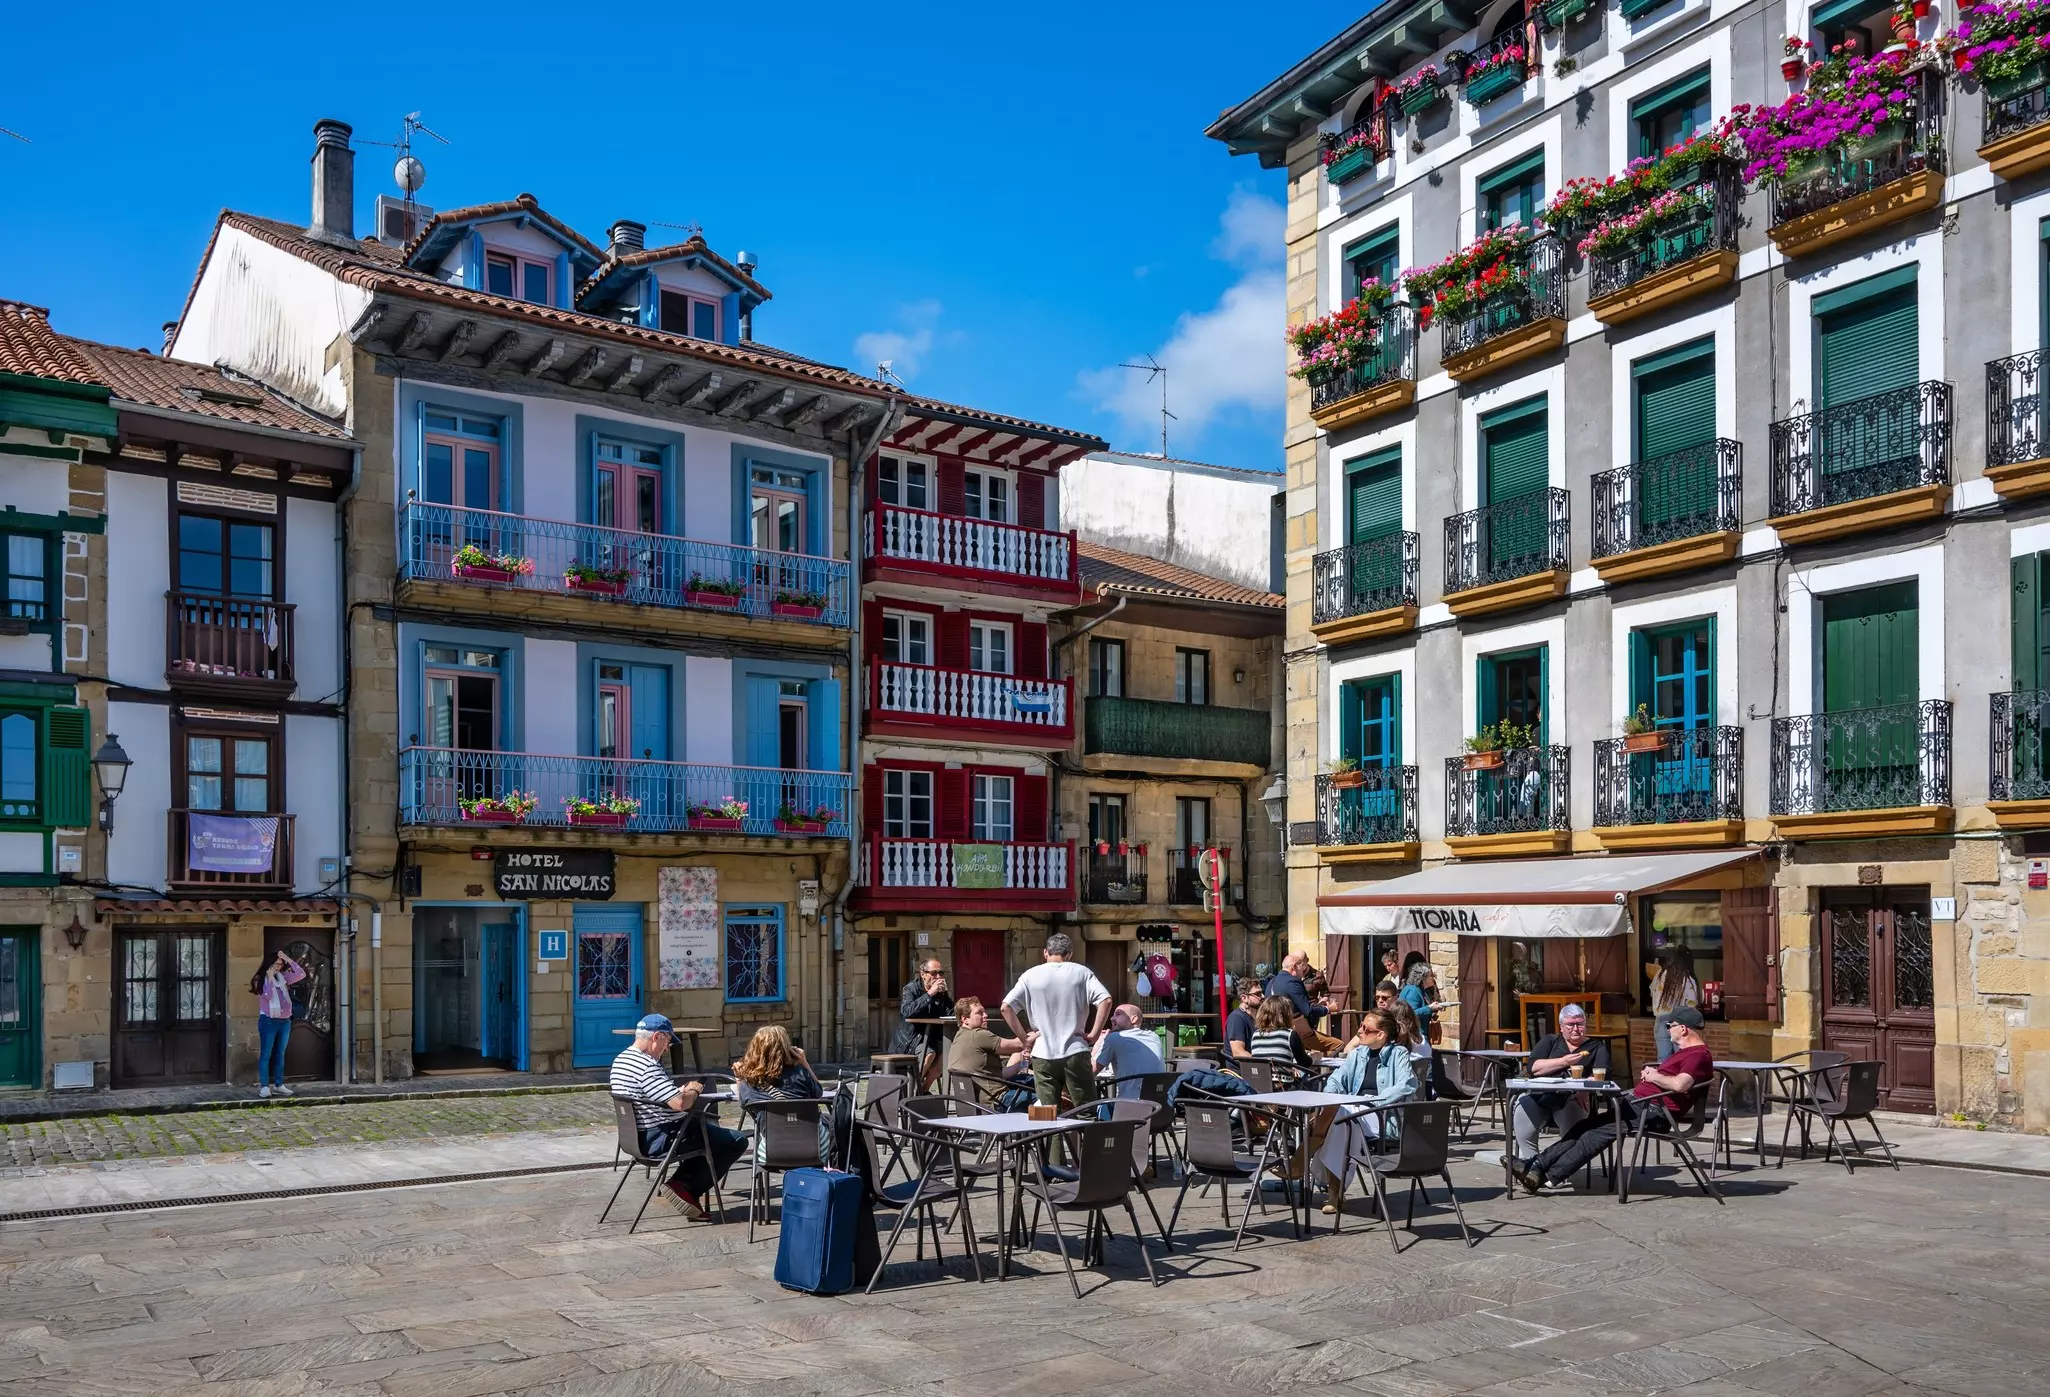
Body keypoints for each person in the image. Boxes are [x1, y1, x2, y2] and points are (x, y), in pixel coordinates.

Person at [1513, 1006, 1715, 1195]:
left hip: (1654, 1111)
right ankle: (1536, 1165)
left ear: (1683, 1029)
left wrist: (1654, 1076)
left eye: (1670, 1025)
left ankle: (1546, 1176)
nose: (1668, 1029)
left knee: (1593, 1135)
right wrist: (1652, 1077)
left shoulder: (1698, 1055)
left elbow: (1680, 1084)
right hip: (1641, 1105)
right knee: (1583, 1127)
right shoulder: (1686, 1053)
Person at [610, 1013, 747, 1219]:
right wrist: (693, 1090)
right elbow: (680, 1104)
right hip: (662, 1137)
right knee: (736, 1141)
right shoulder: (647, 1066)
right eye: (667, 1042)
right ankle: (684, 1186)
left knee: (707, 1134)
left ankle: (684, 1186)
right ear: (657, 1037)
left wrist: (677, 1093)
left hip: (635, 1138)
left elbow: (655, 1094)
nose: (667, 1049)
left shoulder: (622, 1060)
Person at [1313, 1009, 1420, 1212]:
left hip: (1383, 1117)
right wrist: (1330, 1095)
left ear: (1381, 1035)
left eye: (1365, 1028)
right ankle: (1335, 1194)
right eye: (1361, 1026)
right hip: (1354, 1115)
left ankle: (1306, 1156)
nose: (1359, 1031)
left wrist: (1372, 1101)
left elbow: (1406, 1084)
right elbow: (1336, 1079)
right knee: (1343, 1120)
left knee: (1341, 1115)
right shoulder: (1358, 1054)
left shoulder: (1398, 1054)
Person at [1001, 932, 1113, 1109]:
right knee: (1085, 1110)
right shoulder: (1082, 973)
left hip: (1042, 1053)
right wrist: (1094, 1033)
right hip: (1075, 1050)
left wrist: (1025, 1039)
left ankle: (1052, 1129)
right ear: (1069, 954)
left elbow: (1005, 1008)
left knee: (1048, 1113)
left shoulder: (1029, 976)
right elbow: (1106, 1000)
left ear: (1045, 952)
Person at [1510, 1003, 1612, 1168]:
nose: (1576, 1029)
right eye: (1570, 1024)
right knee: (1522, 1103)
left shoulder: (1596, 1047)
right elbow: (1533, 1067)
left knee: (1571, 1113)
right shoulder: (1550, 1041)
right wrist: (1564, 1061)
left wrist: (1584, 1089)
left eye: (1580, 1024)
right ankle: (1531, 1166)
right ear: (1561, 1027)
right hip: (1541, 1096)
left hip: (1573, 1098)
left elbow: (1602, 1073)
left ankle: (1558, 1169)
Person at [733, 1024, 830, 1164]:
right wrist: (804, 1063)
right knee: (831, 1121)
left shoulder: (749, 1082)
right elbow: (818, 1093)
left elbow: (743, 1104)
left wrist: (739, 1077)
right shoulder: (800, 1074)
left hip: (771, 1152)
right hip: (816, 1150)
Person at [890, 957, 954, 1088]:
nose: (938, 977)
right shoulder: (911, 989)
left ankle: (924, 1089)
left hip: (932, 1037)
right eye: (934, 973)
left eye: (941, 973)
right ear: (923, 974)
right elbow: (907, 1011)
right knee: (929, 1053)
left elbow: (951, 1013)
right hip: (911, 1040)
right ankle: (913, 1090)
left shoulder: (940, 992)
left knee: (949, 1052)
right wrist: (930, 994)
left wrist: (945, 997)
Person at [251, 949, 305, 1098]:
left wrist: (287, 958)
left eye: (280, 964)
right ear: (269, 964)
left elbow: (301, 974)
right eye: (275, 964)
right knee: (266, 1053)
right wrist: (269, 978)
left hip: (285, 1021)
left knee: (280, 1054)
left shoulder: (284, 977)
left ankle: (279, 1085)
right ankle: (264, 1086)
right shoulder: (260, 979)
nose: (278, 967)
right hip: (269, 1021)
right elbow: (268, 996)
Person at [946, 996, 1031, 1086]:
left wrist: (1020, 1065)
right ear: (965, 1019)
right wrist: (1035, 1034)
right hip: (996, 1093)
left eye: (984, 1012)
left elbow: (999, 1075)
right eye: (979, 1013)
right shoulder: (979, 1035)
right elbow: (1020, 1045)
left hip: (974, 1093)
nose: (985, 1015)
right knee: (1038, 1087)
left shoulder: (959, 1037)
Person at [1094, 1004, 1167, 1096]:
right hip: (1160, 1102)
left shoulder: (1113, 1038)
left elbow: (1090, 1072)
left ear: (1133, 1019)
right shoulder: (1154, 1037)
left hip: (1131, 1103)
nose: (1111, 1018)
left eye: (1118, 1014)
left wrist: (1100, 1040)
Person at [1648, 945, 1702, 1061]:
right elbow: (1691, 1006)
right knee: (1680, 1058)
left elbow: (1653, 993)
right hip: (1678, 1022)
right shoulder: (1687, 980)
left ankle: (1663, 1073)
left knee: (1663, 1059)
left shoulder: (1659, 975)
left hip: (1660, 1020)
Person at [1265, 952, 1329, 1030]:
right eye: (1302, 968)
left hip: (1272, 1027)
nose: (1303, 971)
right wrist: (1327, 1009)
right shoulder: (1293, 982)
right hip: (1291, 1029)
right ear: (1294, 967)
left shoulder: (1271, 982)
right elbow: (1307, 1011)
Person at [1248, 993, 1313, 1070]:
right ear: (1286, 1015)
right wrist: (1312, 1058)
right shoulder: (1289, 1035)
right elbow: (1304, 1062)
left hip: (1261, 1077)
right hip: (1281, 1077)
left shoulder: (1256, 1035)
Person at [1400, 963, 1441, 1044]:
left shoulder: (1420, 989)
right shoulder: (1413, 991)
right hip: (1414, 1037)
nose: (1433, 977)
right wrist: (1430, 1008)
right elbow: (1410, 1013)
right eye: (1431, 975)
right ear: (1423, 978)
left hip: (1417, 1035)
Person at [1224, 979, 1264, 1059]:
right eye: (1258, 994)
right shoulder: (1237, 1018)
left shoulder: (1258, 1016)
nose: (1263, 996)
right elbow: (1238, 1052)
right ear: (1244, 998)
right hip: (1242, 1066)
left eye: (1262, 993)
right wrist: (1263, 1063)